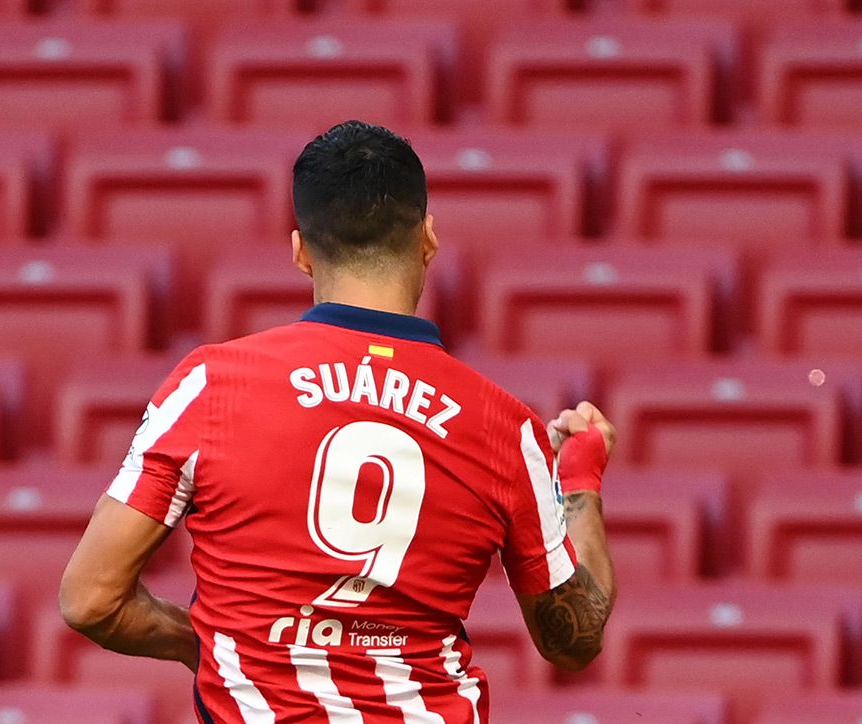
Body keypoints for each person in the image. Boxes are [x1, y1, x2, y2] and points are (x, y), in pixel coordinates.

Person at [59, 120, 617, 723]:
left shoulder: (209, 387)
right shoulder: (505, 426)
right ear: (428, 237)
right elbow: (574, 639)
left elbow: (91, 600)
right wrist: (580, 479)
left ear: (300, 251)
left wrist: (210, 646)